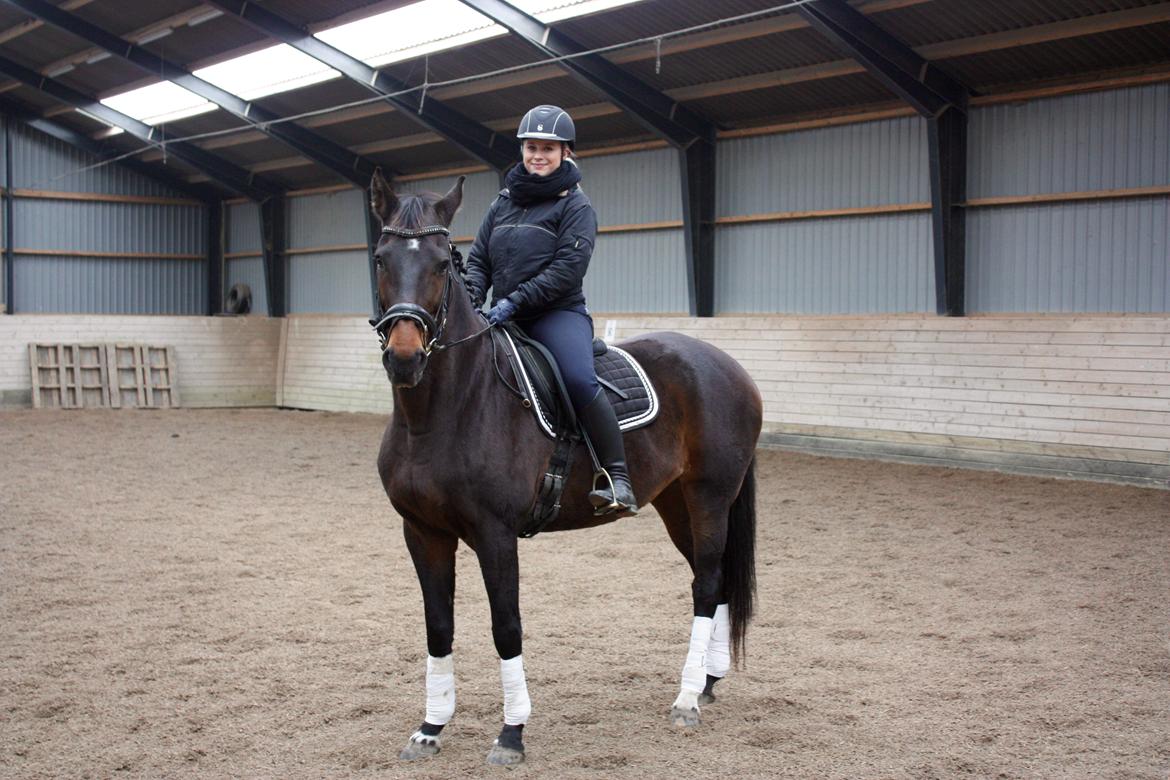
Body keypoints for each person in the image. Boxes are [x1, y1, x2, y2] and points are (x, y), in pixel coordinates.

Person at [464, 104, 636, 515]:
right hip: (501, 314)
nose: (538, 155)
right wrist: (471, 300)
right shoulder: (502, 203)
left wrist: (514, 301)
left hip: (556, 314)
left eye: (547, 148)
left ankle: (617, 477)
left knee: (578, 379)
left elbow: (567, 268)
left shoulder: (576, 206)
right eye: (531, 147)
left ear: (565, 153)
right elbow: (479, 260)